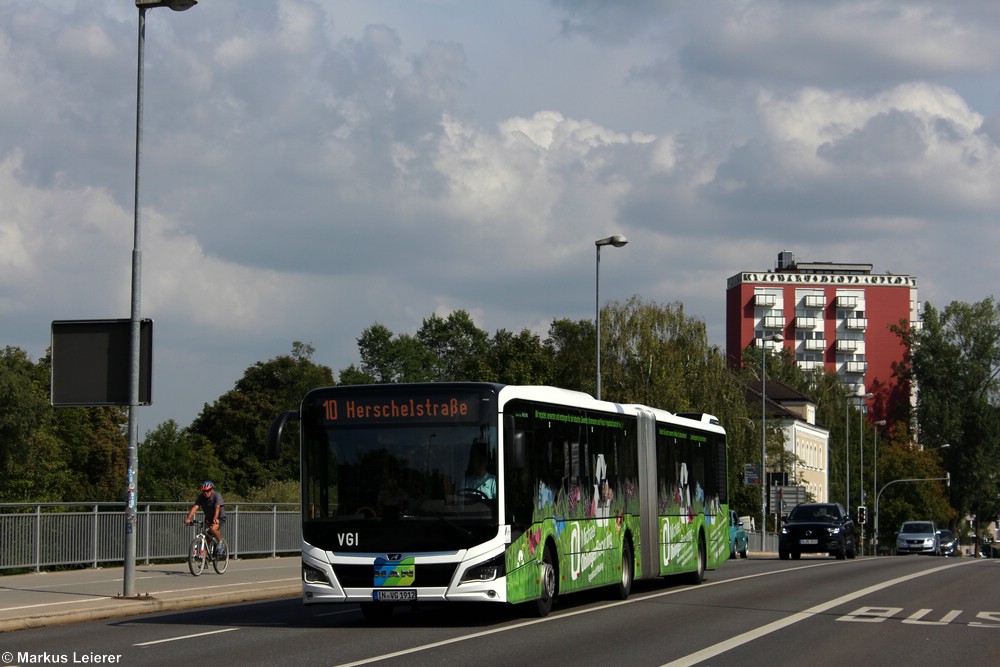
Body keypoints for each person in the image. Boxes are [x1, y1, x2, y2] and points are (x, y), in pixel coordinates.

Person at [185, 481, 226, 555]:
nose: (206, 493)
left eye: (208, 491)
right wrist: (188, 518)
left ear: (211, 489)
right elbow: (195, 507)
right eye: (204, 491)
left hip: (219, 517)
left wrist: (215, 518)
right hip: (209, 518)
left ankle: (220, 542)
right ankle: (205, 559)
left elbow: (217, 508)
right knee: (207, 538)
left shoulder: (217, 496)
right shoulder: (201, 497)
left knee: (213, 528)